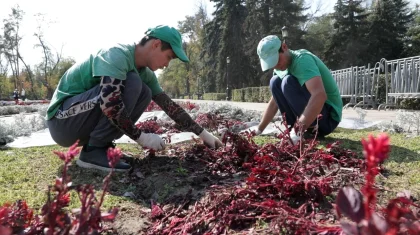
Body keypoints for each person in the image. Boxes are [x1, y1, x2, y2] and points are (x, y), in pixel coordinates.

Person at [46, 25, 223, 172]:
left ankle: (102, 147)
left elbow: (169, 106)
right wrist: (142, 137)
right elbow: (109, 102)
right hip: (62, 121)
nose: (166, 64)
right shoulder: (116, 54)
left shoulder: (145, 73)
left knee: (145, 91)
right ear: (156, 44)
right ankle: (93, 151)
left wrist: (203, 134)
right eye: (168, 56)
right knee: (132, 82)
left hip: (79, 121)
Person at [255, 35, 342, 144]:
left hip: (327, 119)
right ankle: (297, 130)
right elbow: (274, 103)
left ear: (284, 47)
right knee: (275, 82)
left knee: (287, 82)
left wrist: (296, 132)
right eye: (272, 64)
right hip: (308, 121)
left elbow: (319, 95)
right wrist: (259, 130)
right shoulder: (280, 68)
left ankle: (299, 132)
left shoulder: (302, 60)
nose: (276, 66)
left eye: (277, 60)